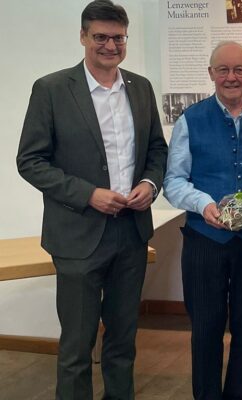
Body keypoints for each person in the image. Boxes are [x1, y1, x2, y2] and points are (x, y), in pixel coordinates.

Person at [16, 1, 168, 398]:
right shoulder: (51, 89)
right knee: (76, 348)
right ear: (83, 37)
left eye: (118, 38)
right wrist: (89, 195)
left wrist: (151, 185)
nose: (110, 45)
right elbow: (30, 161)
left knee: (122, 344)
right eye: (100, 37)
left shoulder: (140, 87)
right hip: (77, 238)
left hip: (131, 235)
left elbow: (157, 150)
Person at [162, 40, 242, 399]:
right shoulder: (190, 120)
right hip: (205, 240)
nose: (231, 77)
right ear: (211, 74)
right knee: (205, 330)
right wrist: (204, 205)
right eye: (223, 70)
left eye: (239, 69)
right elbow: (173, 181)